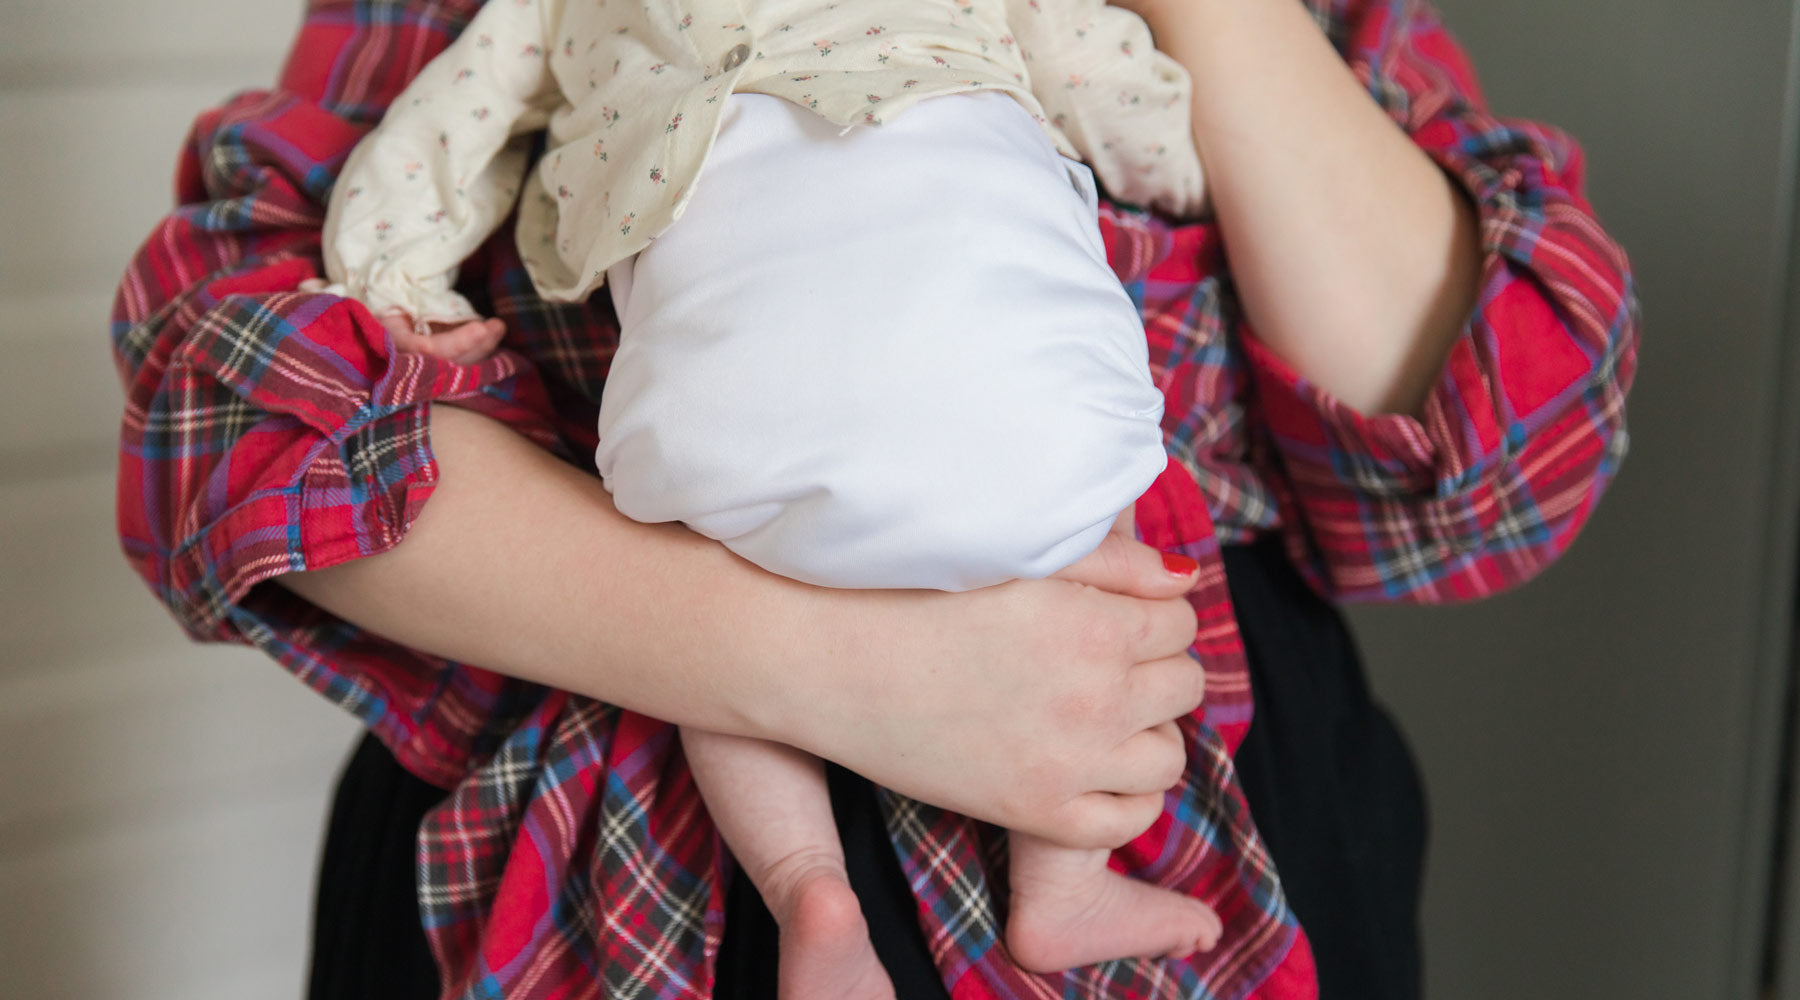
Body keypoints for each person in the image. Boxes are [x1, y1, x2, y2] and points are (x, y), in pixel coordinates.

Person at [109, 1, 1639, 999]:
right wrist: (825, 665)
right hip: (629, 813)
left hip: (1175, 754)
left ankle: (1021, 879)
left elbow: (1489, 488)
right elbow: (225, 407)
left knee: (1085, 496)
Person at [314, 0, 1228, 988]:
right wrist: (1178, 172)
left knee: (721, 608)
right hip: (1010, 375)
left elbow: (446, 126)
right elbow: (1102, 80)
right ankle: (1064, 885)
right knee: (1101, 500)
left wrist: (396, 279)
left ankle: (807, 887)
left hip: (730, 406)